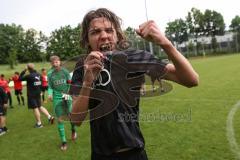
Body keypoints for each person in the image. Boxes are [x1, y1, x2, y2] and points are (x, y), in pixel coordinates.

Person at [70, 8, 199, 160]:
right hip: (101, 155)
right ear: (87, 39)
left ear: (117, 35)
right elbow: (76, 120)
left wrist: (165, 43)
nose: (104, 36)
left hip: (135, 154)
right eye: (96, 32)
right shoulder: (82, 66)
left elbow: (191, 80)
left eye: (109, 30)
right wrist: (87, 82)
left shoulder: (133, 59)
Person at [47, 55, 77, 151]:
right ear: (51, 64)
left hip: (66, 95)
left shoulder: (65, 71)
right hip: (57, 97)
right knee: (60, 119)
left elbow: (69, 83)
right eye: (53, 63)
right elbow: (50, 87)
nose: (55, 64)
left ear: (60, 62)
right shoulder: (50, 74)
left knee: (70, 115)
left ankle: (73, 130)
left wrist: (69, 92)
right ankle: (64, 141)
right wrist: (50, 94)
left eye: (57, 62)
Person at [19, 63, 54, 128]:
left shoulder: (29, 76)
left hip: (31, 94)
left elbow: (20, 79)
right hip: (38, 93)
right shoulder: (39, 75)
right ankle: (50, 117)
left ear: (28, 69)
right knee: (40, 106)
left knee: (35, 108)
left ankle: (39, 123)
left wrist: (24, 70)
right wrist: (40, 91)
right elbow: (40, 83)